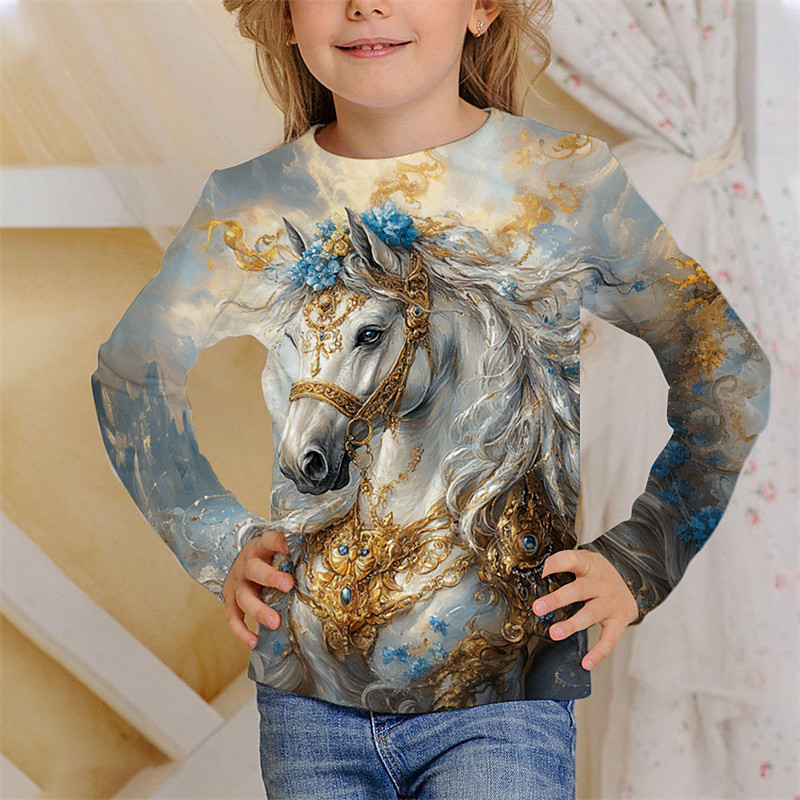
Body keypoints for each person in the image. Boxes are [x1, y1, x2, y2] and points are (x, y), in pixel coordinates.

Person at [90, 1, 772, 798]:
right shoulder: (253, 205)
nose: (365, 4)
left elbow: (725, 365)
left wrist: (643, 557)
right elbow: (131, 374)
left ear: (481, 7)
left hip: (505, 702)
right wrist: (215, 538)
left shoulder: (562, 182)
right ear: (284, 16)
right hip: (310, 709)